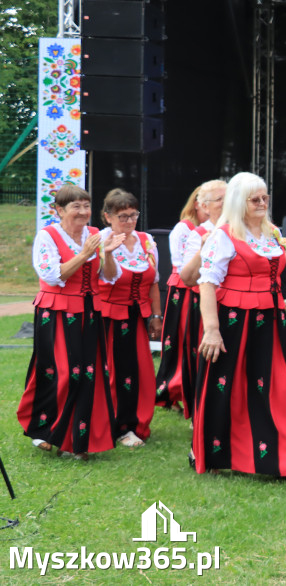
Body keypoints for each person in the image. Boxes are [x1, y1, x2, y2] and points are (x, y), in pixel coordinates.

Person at [194, 172, 286, 485]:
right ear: (241, 202)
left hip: (270, 320)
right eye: (255, 199)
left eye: (265, 197)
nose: (263, 203)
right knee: (226, 387)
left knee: (281, 388)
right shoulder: (223, 235)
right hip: (233, 321)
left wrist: (285, 258)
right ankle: (217, 454)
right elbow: (207, 283)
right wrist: (212, 329)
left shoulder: (273, 233)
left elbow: (269, 265)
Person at [17, 185, 123, 460]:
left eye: (86, 206)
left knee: (89, 374)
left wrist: (107, 254)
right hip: (57, 312)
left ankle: (78, 440)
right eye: (76, 206)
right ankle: (46, 431)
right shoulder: (47, 236)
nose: (84, 212)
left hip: (89, 312)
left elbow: (110, 277)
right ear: (60, 210)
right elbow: (52, 275)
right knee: (61, 372)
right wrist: (85, 254)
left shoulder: (96, 235)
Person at [95, 189, 160, 447]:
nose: (130, 221)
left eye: (134, 215)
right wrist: (109, 252)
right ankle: (111, 424)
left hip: (135, 315)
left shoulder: (146, 240)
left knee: (138, 371)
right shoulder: (99, 240)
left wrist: (156, 315)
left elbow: (154, 281)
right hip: (107, 315)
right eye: (123, 216)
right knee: (110, 370)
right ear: (107, 217)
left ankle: (132, 423)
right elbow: (107, 276)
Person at [158, 179, 226, 418]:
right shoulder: (187, 230)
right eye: (219, 200)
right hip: (188, 290)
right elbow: (181, 267)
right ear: (201, 205)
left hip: (211, 295)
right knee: (185, 345)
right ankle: (178, 392)